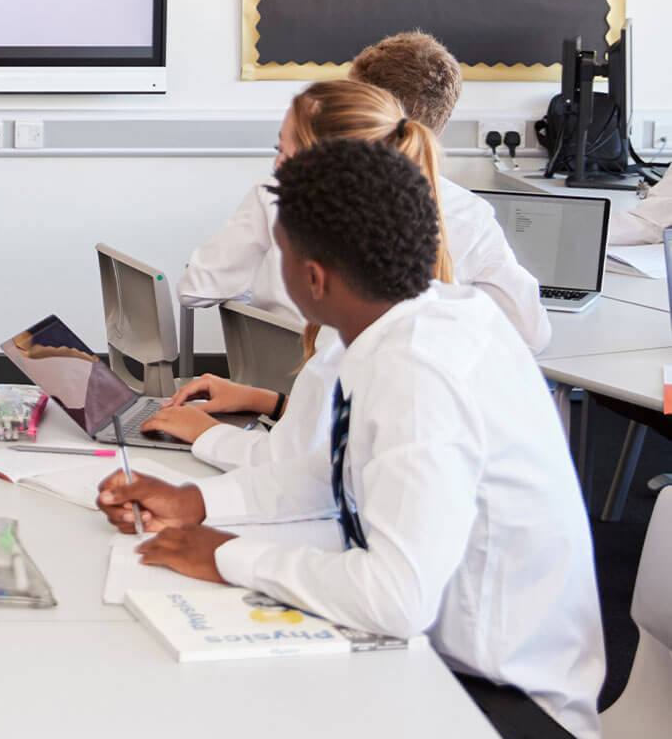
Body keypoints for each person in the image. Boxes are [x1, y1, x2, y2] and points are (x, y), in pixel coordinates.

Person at [99, 140, 604, 739]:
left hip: (503, 706)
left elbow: (395, 600)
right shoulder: (418, 318)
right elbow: (335, 470)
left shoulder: (419, 368)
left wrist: (227, 555)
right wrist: (199, 503)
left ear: (310, 277)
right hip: (451, 656)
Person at [146, 80, 526, 472]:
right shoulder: (377, 315)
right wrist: (268, 401)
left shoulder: (400, 353)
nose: (276, 166)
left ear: (313, 272)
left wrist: (206, 436)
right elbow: (335, 442)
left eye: (283, 151)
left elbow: (310, 474)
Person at [178, 31, 550, 354]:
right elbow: (531, 333)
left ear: (357, 106)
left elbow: (196, 287)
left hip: (292, 401)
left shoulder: (283, 196)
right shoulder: (469, 214)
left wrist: (253, 304)